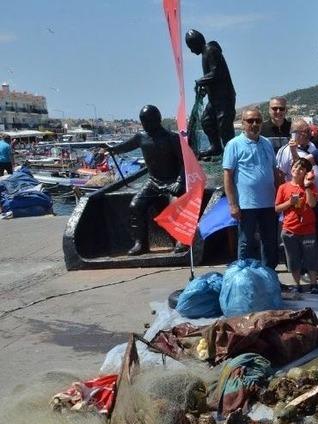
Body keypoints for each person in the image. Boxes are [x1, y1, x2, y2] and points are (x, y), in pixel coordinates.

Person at [105, 105, 184, 256]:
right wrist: (112, 149)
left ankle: (180, 240)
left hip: (172, 181)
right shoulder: (140, 137)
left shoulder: (172, 138)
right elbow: (125, 146)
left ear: (157, 120)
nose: (144, 124)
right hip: (153, 182)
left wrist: (179, 183)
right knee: (135, 205)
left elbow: (184, 163)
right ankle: (140, 243)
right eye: (142, 121)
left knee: (175, 206)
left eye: (147, 121)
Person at [222, 107, 279, 269]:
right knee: (246, 243)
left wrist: (280, 197)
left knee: (270, 243)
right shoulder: (233, 145)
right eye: (250, 121)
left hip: (269, 203)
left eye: (258, 121)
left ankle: (269, 277)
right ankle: (245, 279)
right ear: (242, 123)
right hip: (246, 205)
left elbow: (274, 171)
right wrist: (232, 204)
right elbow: (227, 176)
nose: (254, 124)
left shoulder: (267, 143)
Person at [185, 29, 236, 158]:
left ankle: (231, 154)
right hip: (214, 100)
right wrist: (205, 88)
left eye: (191, 47)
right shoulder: (205, 53)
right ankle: (216, 147)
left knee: (224, 127)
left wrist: (200, 81)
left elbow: (217, 73)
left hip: (224, 98)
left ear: (197, 43)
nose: (191, 51)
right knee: (207, 120)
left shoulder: (210, 50)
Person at [275, 158, 318, 293]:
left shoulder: (311, 186)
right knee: (292, 258)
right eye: (295, 167)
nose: (297, 170)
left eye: (301, 169)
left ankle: (314, 284)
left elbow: (312, 204)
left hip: (307, 229)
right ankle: (297, 284)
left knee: (311, 257)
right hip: (289, 229)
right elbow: (277, 208)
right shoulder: (284, 187)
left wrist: (306, 187)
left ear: (306, 173)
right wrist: (290, 202)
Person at [276, 119, 318, 183]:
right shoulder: (286, 151)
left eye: (309, 130)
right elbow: (280, 175)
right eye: (305, 131)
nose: (309, 133)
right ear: (295, 134)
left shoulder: (312, 145)